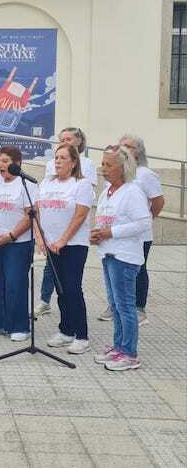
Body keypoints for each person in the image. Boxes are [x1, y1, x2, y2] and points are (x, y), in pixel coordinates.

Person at [91, 146, 152, 371]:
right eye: (103, 163)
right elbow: (105, 220)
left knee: (125, 305)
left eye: (108, 165)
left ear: (123, 168)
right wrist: (97, 233)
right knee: (115, 305)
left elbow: (143, 223)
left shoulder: (132, 191)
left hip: (125, 256)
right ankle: (118, 346)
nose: (103, 168)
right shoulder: (107, 190)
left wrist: (110, 233)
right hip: (108, 253)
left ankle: (130, 353)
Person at [36, 143, 94, 355]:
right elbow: (36, 211)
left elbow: (80, 215)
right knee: (60, 290)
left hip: (73, 245)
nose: (57, 161)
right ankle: (66, 329)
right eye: (55, 157)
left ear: (73, 162)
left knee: (72, 288)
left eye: (62, 158)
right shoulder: (46, 183)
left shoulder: (81, 184)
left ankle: (82, 335)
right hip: (51, 245)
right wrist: (40, 237)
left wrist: (63, 240)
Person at [0, 146, 35, 342]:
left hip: (17, 243)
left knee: (15, 284)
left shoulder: (25, 184)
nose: (0, 164)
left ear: (17, 164)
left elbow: (30, 217)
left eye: (5, 161)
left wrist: (10, 236)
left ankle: (19, 326)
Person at [112, 134, 164, 326]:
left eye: (128, 146)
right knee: (116, 269)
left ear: (138, 152)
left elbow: (158, 202)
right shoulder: (119, 171)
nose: (123, 149)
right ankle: (116, 304)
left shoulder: (145, 174)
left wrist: (145, 219)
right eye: (121, 145)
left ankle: (139, 308)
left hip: (140, 235)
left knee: (138, 269)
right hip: (119, 232)